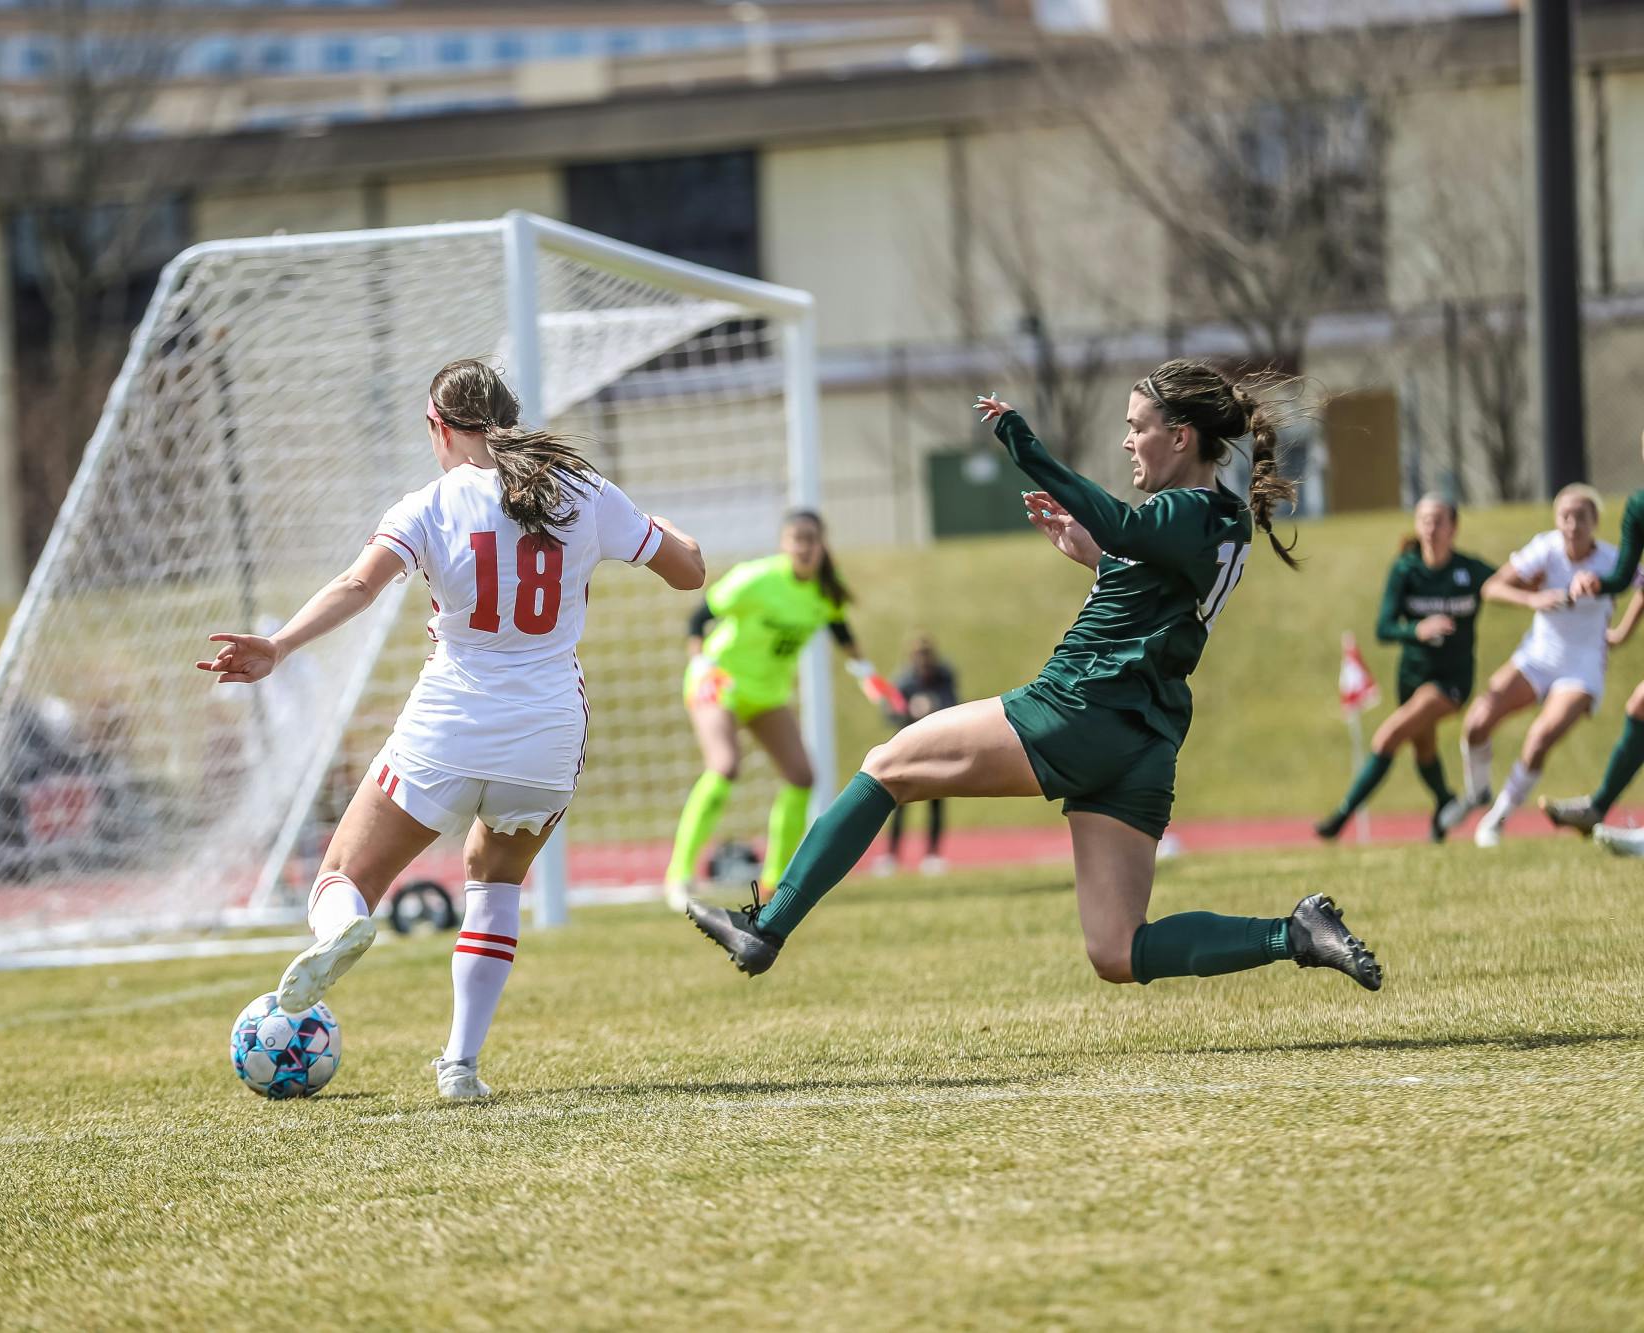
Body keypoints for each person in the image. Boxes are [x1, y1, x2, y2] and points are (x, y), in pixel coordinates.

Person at [686, 359, 1382, 993]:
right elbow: (1153, 584)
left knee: (887, 765)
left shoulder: (1185, 509)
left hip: (1081, 707)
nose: (1126, 442)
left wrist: (1025, 446)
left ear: (1180, 436)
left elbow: (1123, 524)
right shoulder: (1224, 521)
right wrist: (1102, 562)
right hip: (1144, 740)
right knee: (1117, 948)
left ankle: (766, 925)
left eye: (1136, 427)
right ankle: (1294, 932)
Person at [199, 359, 704, 1099]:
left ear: (438, 428)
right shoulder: (586, 489)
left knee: (342, 876)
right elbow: (689, 570)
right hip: (547, 731)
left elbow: (357, 586)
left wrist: (278, 647)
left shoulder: (431, 503)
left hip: (451, 722)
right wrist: (649, 524)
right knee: (496, 883)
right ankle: (460, 1065)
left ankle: (343, 927)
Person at [663, 510, 902, 911]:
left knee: (802, 776)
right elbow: (698, 619)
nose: (806, 547)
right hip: (720, 683)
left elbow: (841, 632)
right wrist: (701, 664)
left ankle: (776, 882)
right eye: (798, 539)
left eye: (813, 539)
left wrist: (868, 676)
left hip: (768, 694)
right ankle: (678, 877)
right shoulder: (755, 579)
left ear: (823, 544)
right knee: (724, 767)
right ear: (784, 544)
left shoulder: (826, 590)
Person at [1434, 485, 1615, 848]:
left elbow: (1639, 583)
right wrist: (1533, 598)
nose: (1572, 524)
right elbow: (1492, 588)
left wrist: (1621, 633)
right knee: (1476, 724)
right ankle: (1477, 794)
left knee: (1539, 739)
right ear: (1555, 519)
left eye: (1581, 516)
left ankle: (1496, 819)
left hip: (1581, 668)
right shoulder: (1546, 549)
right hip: (1538, 656)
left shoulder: (1612, 559)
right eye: (1565, 515)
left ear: (1595, 521)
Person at [1314, 496, 1493, 843]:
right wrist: (1417, 629)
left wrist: (1539, 587)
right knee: (1423, 750)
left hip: (1450, 683)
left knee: (1388, 737)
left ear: (1453, 527)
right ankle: (1444, 803)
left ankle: (1341, 818)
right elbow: (1383, 628)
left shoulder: (1469, 570)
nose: (1431, 527)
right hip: (1411, 677)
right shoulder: (1405, 569)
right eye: (1424, 519)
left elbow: (1506, 582)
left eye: (1439, 520)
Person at [1544, 431, 1644, 838]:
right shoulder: (1638, 506)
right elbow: (1624, 576)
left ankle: (1600, 808)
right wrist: (1596, 583)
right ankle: (1598, 809)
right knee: (1640, 707)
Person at [873, 636, 958, 875]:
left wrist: (934, 705)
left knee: (936, 802)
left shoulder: (944, 677)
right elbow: (890, 712)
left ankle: (932, 854)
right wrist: (909, 710)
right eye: (919, 655)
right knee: (899, 802)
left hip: (936, 749)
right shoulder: (904, 681)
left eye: (927, 654)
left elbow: (954, 704)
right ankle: (891, 854)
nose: (924, 660)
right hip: (909, 751)